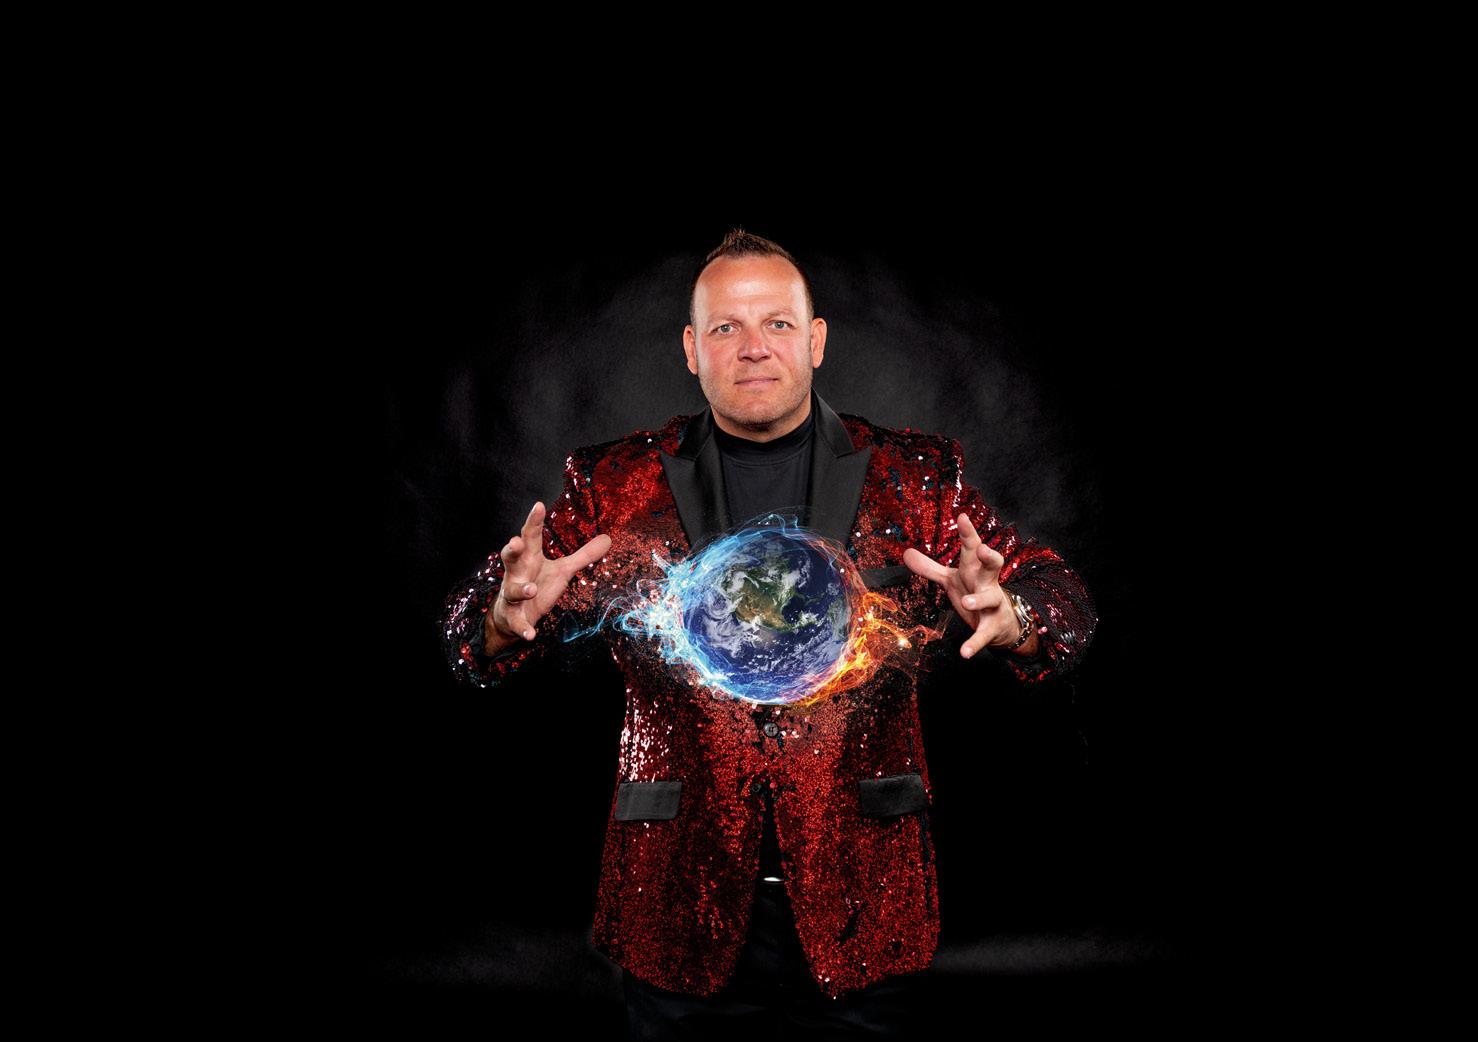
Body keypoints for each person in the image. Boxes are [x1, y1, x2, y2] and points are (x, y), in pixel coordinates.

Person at [440, 228, 1098, 1039]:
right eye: (726, 327)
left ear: (815, 341)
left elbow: (1064, 603)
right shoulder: (612, 483)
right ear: (692, 349)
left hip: (864, 902)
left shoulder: (917, 474)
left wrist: (1015, 619)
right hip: (677, 902)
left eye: (777, 323)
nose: (754, 347)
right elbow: (465, 635)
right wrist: (501, 622)